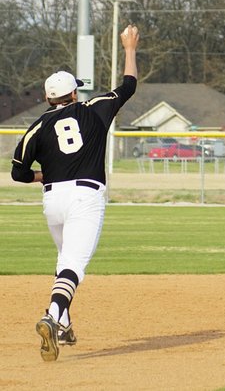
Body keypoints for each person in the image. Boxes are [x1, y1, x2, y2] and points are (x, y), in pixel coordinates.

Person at [11, 25, 139, 361]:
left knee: (64, 261)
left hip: (52, 200)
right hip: (86, 197)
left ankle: (64, 324)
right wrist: (129, 48)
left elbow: (17, 172)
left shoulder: (36, 127)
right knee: (74, 265)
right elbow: (129, 85)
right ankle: (52, 316)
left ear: (48, 98)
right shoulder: (94, 108)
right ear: (73, 95)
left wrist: (41, 175)